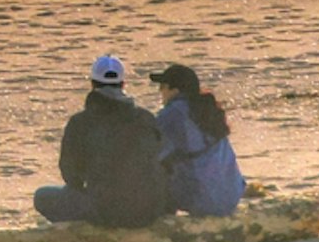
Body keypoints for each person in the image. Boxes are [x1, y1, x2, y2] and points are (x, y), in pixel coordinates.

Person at [34, 53, 169, 225]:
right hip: (146, 211)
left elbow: (70, 175)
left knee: (42, 196)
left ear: (92, 84)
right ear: (123, 84)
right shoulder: (146, 118)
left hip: (104, 212)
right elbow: (163, 161)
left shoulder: (80, 122)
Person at [148, 61, 244, 216]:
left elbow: (152, 153)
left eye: (163, 86)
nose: (160, 91)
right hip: (231, 196)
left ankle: (162, 216)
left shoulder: (174, 113)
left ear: (175, 90)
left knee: (155, 165)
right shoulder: (209, 110)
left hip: (205, 201)